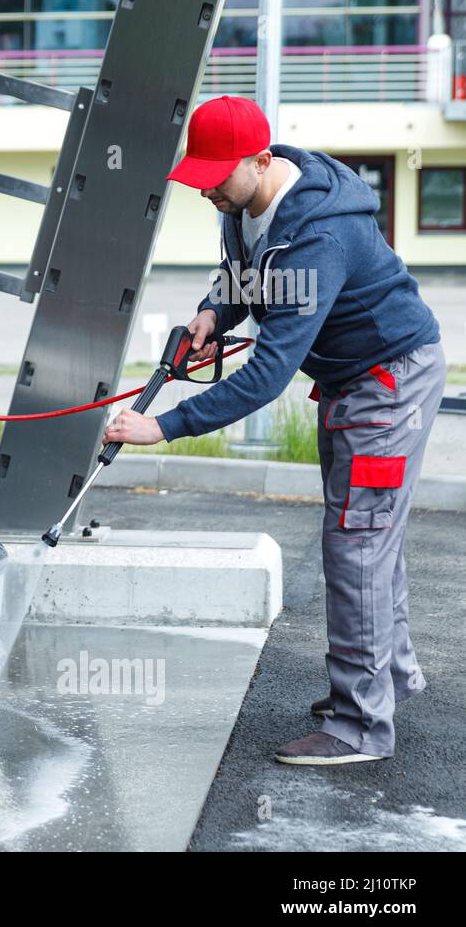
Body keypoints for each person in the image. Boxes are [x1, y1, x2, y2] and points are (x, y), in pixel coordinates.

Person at [103, 95, 445, 766]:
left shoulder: (320, 231)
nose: (207, 190)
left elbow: (265, 378)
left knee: (357, 544)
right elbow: (245, 274)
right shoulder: (247, 203)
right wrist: (213, 313)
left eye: (217, 176)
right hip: (353, 381)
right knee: (368, 536)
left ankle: (360, 726)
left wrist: (162, 428)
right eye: (198, 176)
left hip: (387, 383)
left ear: (262, 160)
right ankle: (388, 681)